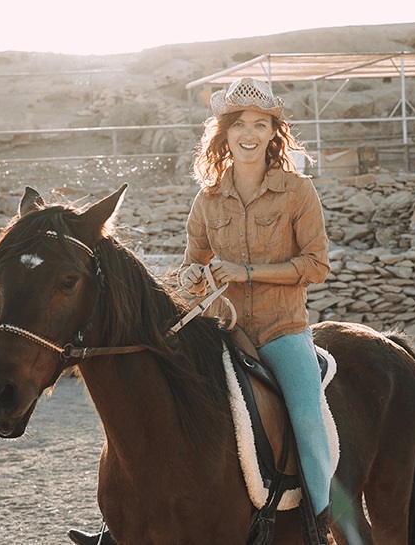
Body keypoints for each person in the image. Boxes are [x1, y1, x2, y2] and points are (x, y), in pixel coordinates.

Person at [69, 77, 333, 545]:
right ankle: (125, 523)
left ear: (274, 132)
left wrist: (247, 272)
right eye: (238, 125)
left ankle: (318, 525)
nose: (248, 133)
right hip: (220, 329)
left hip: (281, 329)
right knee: (156, 401)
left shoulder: (298, 192)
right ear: (224, 133)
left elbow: (316, 265)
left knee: (309, 419)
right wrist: (192, 276)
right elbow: (194, 261)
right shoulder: (207, 199)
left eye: (260, 123)